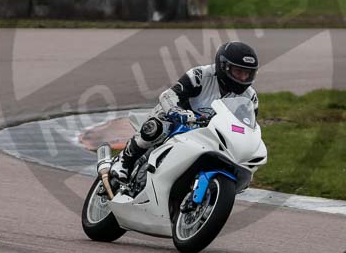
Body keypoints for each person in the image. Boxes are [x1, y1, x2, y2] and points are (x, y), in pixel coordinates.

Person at [111, 41, 259, 183]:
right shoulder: (201, 75)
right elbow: (168, 95)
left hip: (211, 134)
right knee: (157, 126)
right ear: (223, 66)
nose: (243, 77)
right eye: (239, 71)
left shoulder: (250, 97)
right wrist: (177, 112)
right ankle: (125, 160)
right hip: (181, 121)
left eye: (247, 73)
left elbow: (248, 126)